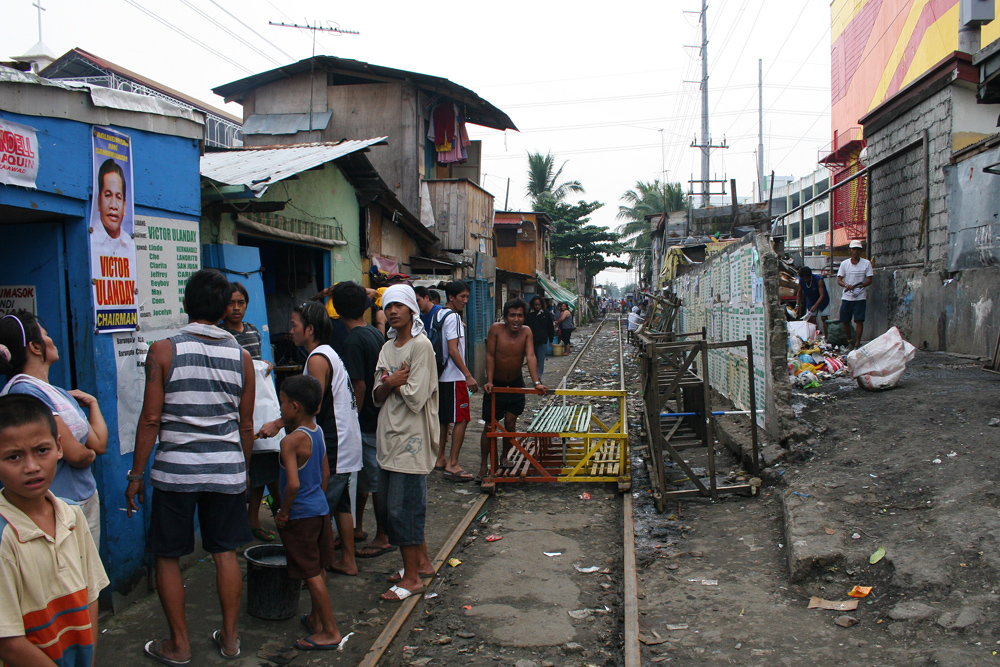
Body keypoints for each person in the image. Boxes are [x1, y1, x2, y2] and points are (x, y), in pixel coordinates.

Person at [125, 268, 256, 663]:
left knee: (168, 555)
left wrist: (136, 473)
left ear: (185, 304)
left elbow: (150, 420)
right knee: (225, 552)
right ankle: (231, 640)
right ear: (223, 308)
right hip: (226, 470)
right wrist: (242, 471)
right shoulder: (243, 357)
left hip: (175, 472)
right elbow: (245, 425)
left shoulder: (164, 350)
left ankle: (179, 645)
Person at [0, 394, 109, 667]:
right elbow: (9, 643)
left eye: (41, 450)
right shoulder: (5, 536)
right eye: (13, 457)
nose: (32, 467)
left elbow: (91, 595)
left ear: (59, 447)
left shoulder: (72, 515)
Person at [0, 312, 109, 546]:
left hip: (83, 499)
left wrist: (93, 403)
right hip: (55, 505)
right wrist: (86, 455)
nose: (51, 340)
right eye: (46, 336)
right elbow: (77, 453)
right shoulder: (25, 393)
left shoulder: (56, 393)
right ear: (36, 347)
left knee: (85, 576)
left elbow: (99, 443)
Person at [372, 285, 439, 601]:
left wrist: (392, 382)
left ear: (413, 309)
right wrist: (391, 382)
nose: (393, 311)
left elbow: (415, 396)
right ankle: (421, 563)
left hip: (412, 440)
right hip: (389, 438)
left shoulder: (421, 346)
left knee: (405, 509)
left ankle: (412, 579)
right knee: (391, 507)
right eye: (388, 307)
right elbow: (376, 394)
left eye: (399, 305)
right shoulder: (387, 349)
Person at [272, 375, 343, 651]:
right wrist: (319, 499)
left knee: (310, 572)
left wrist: (283, 512)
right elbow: (325, 473)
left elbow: (292, 483)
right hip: (320, 510)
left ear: (296, 407)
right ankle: (316, 619)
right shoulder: (318, 431)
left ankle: (330, 630)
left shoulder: (291, 442)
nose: (281, 409)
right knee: (319, 567)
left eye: (282, 403)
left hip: (300, 514)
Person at [295, 302, 363, 576]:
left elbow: (314, 405)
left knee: (318, 506)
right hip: (346, 439)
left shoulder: (317, 359)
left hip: (335, 443)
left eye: (294, 325)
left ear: (309, 329)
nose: (291, 331)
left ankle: (314, 568)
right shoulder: (328, 353)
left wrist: (281, 422)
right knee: (342, 503)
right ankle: (348, 558)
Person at [331, 282, 393, 560]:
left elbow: (359, 386)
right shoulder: (373, 333)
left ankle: (383, 536)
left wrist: (350, 418)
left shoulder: (354, 340)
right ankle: (356, 527)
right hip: (378, 415)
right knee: (366, 476)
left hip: (367, 420)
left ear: (337, 309)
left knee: (375, 479)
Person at [220, 282, 280, 543]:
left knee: (264, 466)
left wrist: (265, 365)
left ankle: (256, 519)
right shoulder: (221, 334)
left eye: (240, 303)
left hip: (259, 410)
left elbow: (258, 361)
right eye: (231, 303)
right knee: (248, 470)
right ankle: (252, 521)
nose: (236, 308)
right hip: (236, 412)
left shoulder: (253, 331)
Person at [479, 298, 547, 480]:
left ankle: (504, 457)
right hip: (496, 386)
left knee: (510, 423)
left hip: (515, 384)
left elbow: (531, 356)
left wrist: (536, 382)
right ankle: (483, 466)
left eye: (520, 315)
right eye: (512, 315)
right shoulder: (496, 329)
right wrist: (489, 380)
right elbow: (491, 356)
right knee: (489, 427)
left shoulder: (526, 332)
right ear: (505, 317)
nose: (516, 319)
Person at [434, 281, 478, 480]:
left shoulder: (440, 314)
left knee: (445, 420)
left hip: (442, 376)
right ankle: (453, 463)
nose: (465, 301)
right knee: (462, 418)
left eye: (467, 297)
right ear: (451, 297)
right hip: (454, 376)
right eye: (462, 297)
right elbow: (453, 349)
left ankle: (441, 457)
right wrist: (468, 375)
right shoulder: (453, 318)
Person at [836, 240, 874, 349]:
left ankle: (857, 343)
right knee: (845, 320)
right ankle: (850, 341)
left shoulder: (866, 263)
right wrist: (846, 285)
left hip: (860, 297)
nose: (856, 252)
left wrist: (860, 286)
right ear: (850, 251)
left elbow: (870, 279)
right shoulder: (845, 264)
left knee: (859, 320)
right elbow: (839, 280)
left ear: (861, 251)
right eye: (854, 249)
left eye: (858, 250)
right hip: (847, 297)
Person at [526, 295, 555, 380]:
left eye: (539, 304)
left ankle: (538, 377)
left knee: (540, 361)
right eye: (535, 304)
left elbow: (550, 327)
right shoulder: (528, 314)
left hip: (542, 340)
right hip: (531, 341)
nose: (537, 306)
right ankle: (534, 376)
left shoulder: (546, 314)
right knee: (532, 360)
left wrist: (551, 339)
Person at [796, 266, 830, 338]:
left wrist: (816, 305)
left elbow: (822, 295)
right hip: (811, 299)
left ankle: (827, 337)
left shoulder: (818, 280)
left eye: (806, 278)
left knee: (824, 318)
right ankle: (815, 336)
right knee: (812, 318)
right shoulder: (801, 281)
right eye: (803, 279)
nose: (805, 280)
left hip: (822, 300)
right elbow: (799, 293)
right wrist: (797, 304)